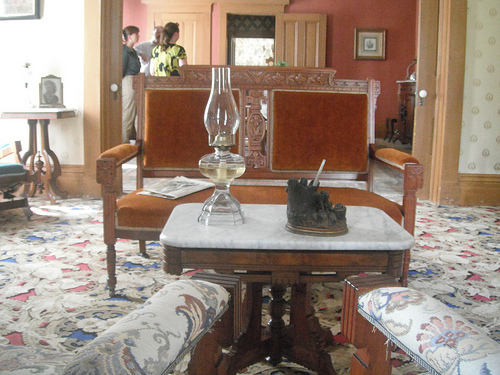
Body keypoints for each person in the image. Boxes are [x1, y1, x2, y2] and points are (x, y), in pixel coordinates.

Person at [122, 25, 141, 143]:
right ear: (129, 36)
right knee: (128, 112)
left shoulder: (133, 51)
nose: (138, 36)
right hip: (128, 81)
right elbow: (121, 70)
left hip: (135, 81)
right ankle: (123, 141)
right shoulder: (125, 51)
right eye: (136, 34)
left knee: (136, 112)